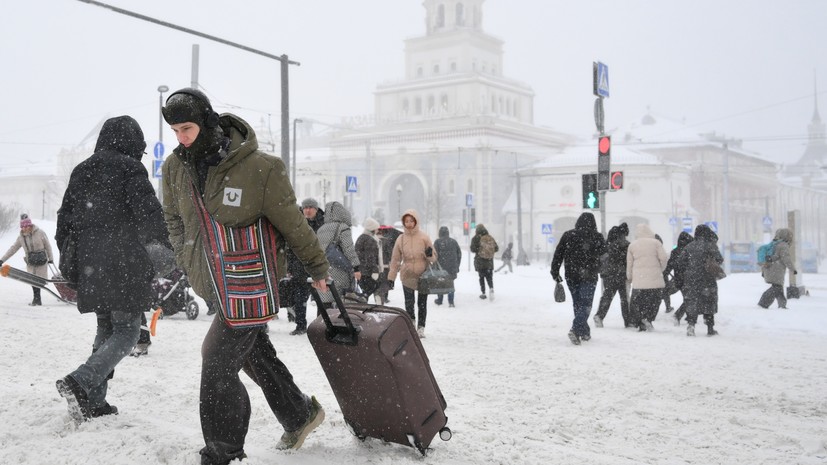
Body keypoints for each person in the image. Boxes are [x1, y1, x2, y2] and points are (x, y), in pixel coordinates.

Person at [160, 88, 329, 464]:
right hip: (212, 282)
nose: (181, 138)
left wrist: (318, 268)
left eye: (186, 128)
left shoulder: (260, 167)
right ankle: (299, 414)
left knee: (216, 359)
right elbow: (172, 219)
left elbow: (293, 223)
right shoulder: (174, 167)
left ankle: (223, 452)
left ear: (206, 121)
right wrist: (187, 259)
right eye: (174, 130)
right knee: (251, 352)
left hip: (252, 281)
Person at [53, 115, 172, 423]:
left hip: (91, 263)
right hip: (125, 261)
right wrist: (162, 247)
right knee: (128, 331)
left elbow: (64, 220)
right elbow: (149, 214)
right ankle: (81, 380)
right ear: (133, 142)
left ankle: (94, 402)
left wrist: (72, 256)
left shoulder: (82, 170)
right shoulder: (130, 168)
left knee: (106, 327)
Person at [550, 212, 607, 345]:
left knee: (578, 303)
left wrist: (555, 272)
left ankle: (584, 331)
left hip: (571, 275)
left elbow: (558, 254)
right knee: (586, 305)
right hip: (589, 275)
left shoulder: (569, 235)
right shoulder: (597, 237)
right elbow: (604, 257)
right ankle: (575, 329)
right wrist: (603, 271)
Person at [388, 210, 437, 338]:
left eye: (411, 221)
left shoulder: (424, 237)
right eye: (406, 221)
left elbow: (434, 258)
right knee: (409, 303)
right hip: (407, 274)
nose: (409, 224)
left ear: (416, 221)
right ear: (404, 223)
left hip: (423, 274)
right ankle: (411, 325)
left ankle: (421, 327)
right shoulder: (401, 238)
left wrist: (429, 254)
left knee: (422, 303)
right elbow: (395, 259)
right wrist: (391, 277)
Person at [285, 198, 325, 333]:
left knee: (321, 298)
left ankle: (320, 327)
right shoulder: (297, 223)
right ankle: (300, 325)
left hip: (317, 266)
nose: (308, 210)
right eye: (305, 207)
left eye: (311, 207)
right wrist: (290, 267)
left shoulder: (323, 225)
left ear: (316, 209)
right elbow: (290, 246)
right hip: (299, 266)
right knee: (299, 298)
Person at [677, 224, 724, 336]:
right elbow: (720, 259)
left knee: (692, 301)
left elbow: (680, 262)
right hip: (707, 278)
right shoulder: (711, 246)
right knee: (709, 302)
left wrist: (688, 270)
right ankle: (710, 328)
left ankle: (691, 326)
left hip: (691, 279)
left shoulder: (689, 246)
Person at [0, 213, 54, 306]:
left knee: (39, 279)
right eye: (23, 227)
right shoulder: (21, 237)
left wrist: (51, 258)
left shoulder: (40, 232)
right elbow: (13, 249)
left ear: (30, 225)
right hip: (31, 261)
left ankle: (37, 299)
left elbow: (48, 246)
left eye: (26, 226)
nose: (25, 228)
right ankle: (36, 299)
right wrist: (2, 260)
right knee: (32, 279)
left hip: (41, 259)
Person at [315, 201, 361, 308]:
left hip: (324, 270)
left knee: (324, 303)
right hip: (340, 270)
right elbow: (348, 249)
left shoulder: (321, 229)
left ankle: (322, 322)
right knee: (340, 303)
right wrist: (356, 267)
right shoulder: (342, 227)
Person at [626, 223, 669, 332]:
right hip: (654, 279)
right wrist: (660, 269)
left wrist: (629, 277)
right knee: (654, 301)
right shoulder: (656, 243)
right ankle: (648, 318)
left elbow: (629, 263)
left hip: (639, 280)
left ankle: (641, 321)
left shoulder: (632, 245)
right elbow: (664, 258)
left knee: (639, 302)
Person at [594, 222, 631, 328]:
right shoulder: (626, 245)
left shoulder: (607, 244)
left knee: (607, 296)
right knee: (624, 299)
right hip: (622, 274)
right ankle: (628, 321)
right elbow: (628, 260)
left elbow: (602, 259)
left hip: (608, 274)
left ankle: (599, 315)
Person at [758, 228, 797, 309]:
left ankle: (782, 305)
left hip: (770, 268)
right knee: (776, 288)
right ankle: (763, 303)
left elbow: (774, 256)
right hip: (776, 270)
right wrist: (793, 269)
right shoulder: (783, 245)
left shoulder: (774, 243)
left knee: (778, 288)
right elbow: (786, 259)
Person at [665, 231, 694, 325]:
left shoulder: (675, 251)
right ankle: (678, 315)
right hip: (689, 279)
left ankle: (687, 316)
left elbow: (669, 266)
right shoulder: (689, 251)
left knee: (688, 298)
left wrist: (665, 273)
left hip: (679, 279)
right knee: (690, 298)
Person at [354, 217, 383, 303]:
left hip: (360, 270)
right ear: (372, 229)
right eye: (376, 228)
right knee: (373, 287)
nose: (377, 230)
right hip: (367, 271)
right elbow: (370, 258)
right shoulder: (370, 240)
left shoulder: (361, 237)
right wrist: (375, 270)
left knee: (365, 291)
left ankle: (362, 306)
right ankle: (365, 306)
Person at [433, 226, 461, 307]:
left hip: (441, 268)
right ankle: (451, 301)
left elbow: (434, 255)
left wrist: (435, 266)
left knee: (440, 283)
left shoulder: (437, 242)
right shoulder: (453, 242)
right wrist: (457, 265)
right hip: (452, 267)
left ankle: (440, 300)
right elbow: (459, 254)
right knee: (450, 284)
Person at [470, 224, 498, 300]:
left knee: (481, 277)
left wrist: (479, 249)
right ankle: (491, 288)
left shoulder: (476, 238)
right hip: (489, 261)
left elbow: (472, 249)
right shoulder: (490, 238)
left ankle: (483, 293)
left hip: (480, 261)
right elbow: (496, 248)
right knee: (489, 277)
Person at [376, 224, 401, 304]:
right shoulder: (388, 239)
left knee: (379, 280)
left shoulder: (374, 240)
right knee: (386, 280)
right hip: (386, 264)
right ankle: (385, 297)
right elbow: (390, 253)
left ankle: (379, 296)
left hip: (377, 265)